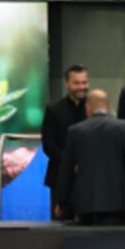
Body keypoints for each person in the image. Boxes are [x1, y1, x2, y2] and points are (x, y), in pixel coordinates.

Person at [56, 89, 125, 226]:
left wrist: (60, 200)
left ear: (88, 107)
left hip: (85, 202)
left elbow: (66, 169)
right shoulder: (124, 127)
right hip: (116, 202)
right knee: (112, 240)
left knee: (86, 239)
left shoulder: (75, 130)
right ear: (108, 107)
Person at [41, 64, 89, 220]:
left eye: (84, 82)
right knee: (60, 225)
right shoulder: (54, 110)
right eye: (77, 83)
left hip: (89, 179)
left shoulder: (94, 109)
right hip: (60, 178)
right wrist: (70, 165)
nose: (81, 87)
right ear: (67, 83)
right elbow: (48, 145)